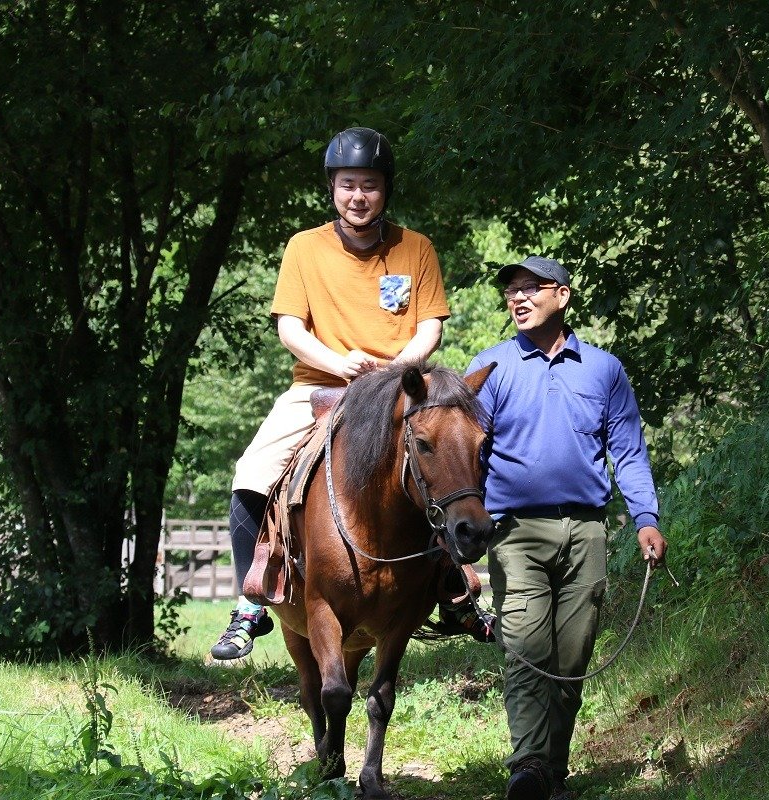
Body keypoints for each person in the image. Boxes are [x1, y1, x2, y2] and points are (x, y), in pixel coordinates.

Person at [210, 126, 486, 660]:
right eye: (347, 184)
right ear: (333, 190)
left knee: (453, 458)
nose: (358, 195)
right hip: (322, 386)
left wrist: (397, 366)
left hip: (399, 385)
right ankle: (249, 602)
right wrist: (340, 363)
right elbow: (290, 326)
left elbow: (430, 327)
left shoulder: (416, 248)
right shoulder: (303, 248)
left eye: (370, 185)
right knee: (251, 475)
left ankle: (456, 589)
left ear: (386, 190)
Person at [466, 256, 669, 800]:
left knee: (572, 658)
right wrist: (461, 543)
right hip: (514, 533)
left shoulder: (603, 370)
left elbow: (627, 451)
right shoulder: (489, 370)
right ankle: (527, 768)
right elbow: (465, 458)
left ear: (563, 296)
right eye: (512, 291)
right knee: (529, 650)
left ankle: (550, 771)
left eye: (531, 288)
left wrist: (646, 518)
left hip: (587, 532)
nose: (518, 298)